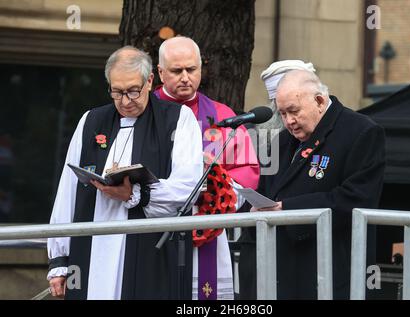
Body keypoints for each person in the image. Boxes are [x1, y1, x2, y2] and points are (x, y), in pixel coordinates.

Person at [47, 46, 203, 299]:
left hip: (150, 250)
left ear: (150, 80)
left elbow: (187, 189)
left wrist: (135, 194)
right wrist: (59, 259)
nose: (125, 101)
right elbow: (68, 192)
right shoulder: (90, 121)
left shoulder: (177, 119)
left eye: (133, 90)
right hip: (93, 247)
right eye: (117, 92)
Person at [239, 68, 385, 299]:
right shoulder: (283, 140)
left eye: (294, 111)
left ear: (319, 101)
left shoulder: (361, 131)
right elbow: (265, 190)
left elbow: (356, 198)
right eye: (283, 113)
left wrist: (286, 209)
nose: (289, 121)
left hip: (329, 270)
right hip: (281, 271)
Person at [155, 36, 260, 300]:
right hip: (153, 224)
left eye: (191, 69)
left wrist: (216, 190)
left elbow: (246, 169)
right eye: (176, 71)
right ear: (160, 72)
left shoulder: (222, 115)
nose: (185, 77)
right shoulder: (145, 111)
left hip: (206, 223)